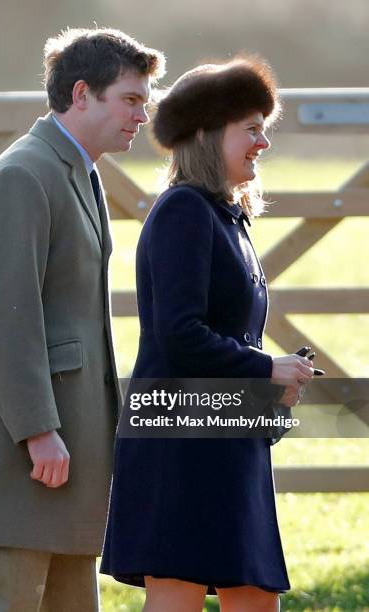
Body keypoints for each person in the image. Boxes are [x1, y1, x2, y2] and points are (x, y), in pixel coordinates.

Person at [0, 27, 165, 612]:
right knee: (9, 604)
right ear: (82, 94)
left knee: (71, 605)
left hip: (66, 445)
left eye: (145, 102)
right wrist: (37, 430)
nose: (141, 115)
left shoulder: (79, 169)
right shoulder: (22, 175)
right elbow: (3, 320)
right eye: (130, 99)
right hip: (26, 449)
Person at [100, 55, 314, 612]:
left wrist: (270, 388)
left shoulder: (226, 216)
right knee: (179, 594)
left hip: (223, 432)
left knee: (256, 596)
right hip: (181, 442)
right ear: (206, 133)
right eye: (251, 129)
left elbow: (226, 334)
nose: (262, 143)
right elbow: (179, 333)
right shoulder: (184, 212)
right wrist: (267, 368)